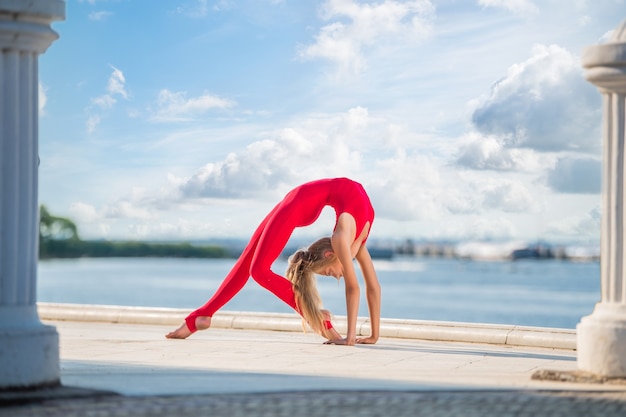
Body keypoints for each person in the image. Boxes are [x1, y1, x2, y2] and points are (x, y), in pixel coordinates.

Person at [166, 177, 381, 345]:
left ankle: (201, 316)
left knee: (253, 264)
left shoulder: (355, 244)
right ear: (328, 255)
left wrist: (373, 335)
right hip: (299, 202)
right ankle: (315, 316)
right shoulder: (342, 240)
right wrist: (349, 338)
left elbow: (373, 287)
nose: (335, 275)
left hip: (303, 197)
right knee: (255, 267)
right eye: (328, 273)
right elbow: (353, 287)